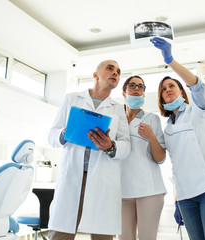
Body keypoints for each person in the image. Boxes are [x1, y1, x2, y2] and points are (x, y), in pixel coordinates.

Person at [151, 37, 205, 240]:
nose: (167, 90)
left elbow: (198, 87)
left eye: (171, 86)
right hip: (186, 197)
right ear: (161, 99)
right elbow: (176, 167)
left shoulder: (198, 110)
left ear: (182, 92)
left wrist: (170, 60)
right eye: (163, 90)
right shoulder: (167, 128)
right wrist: (177, 200)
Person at [47, 60, 131, 240]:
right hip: (72, 176)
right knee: (61, 234)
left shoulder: (118, 109)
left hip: (102, 178)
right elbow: (51, 136)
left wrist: (111, 146)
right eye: (110, 68)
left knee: (102, 234)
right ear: (95, 74)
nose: (115, 73)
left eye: (118, 71)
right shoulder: (72, 99)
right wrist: (65, 132)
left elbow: (126, 146)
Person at [119, 75, 167, 240]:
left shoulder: (151, 119)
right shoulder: (116, 119)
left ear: (144, 95)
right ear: (124, 93)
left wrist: (151, 137)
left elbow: (160, 158)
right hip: (122, 190)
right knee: (124, 238)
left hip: (149, 190)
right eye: (132, 85)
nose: (137, 89)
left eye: (141, 87)